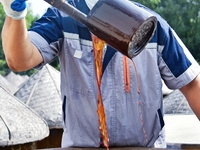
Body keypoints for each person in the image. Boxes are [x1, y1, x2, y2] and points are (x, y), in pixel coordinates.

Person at [1, 0, 200, 148]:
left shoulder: (152, 28)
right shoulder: (61, 19)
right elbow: (19, 60)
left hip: (144, 147)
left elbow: (193, 84)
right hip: (81, 148)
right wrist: (15, 14)